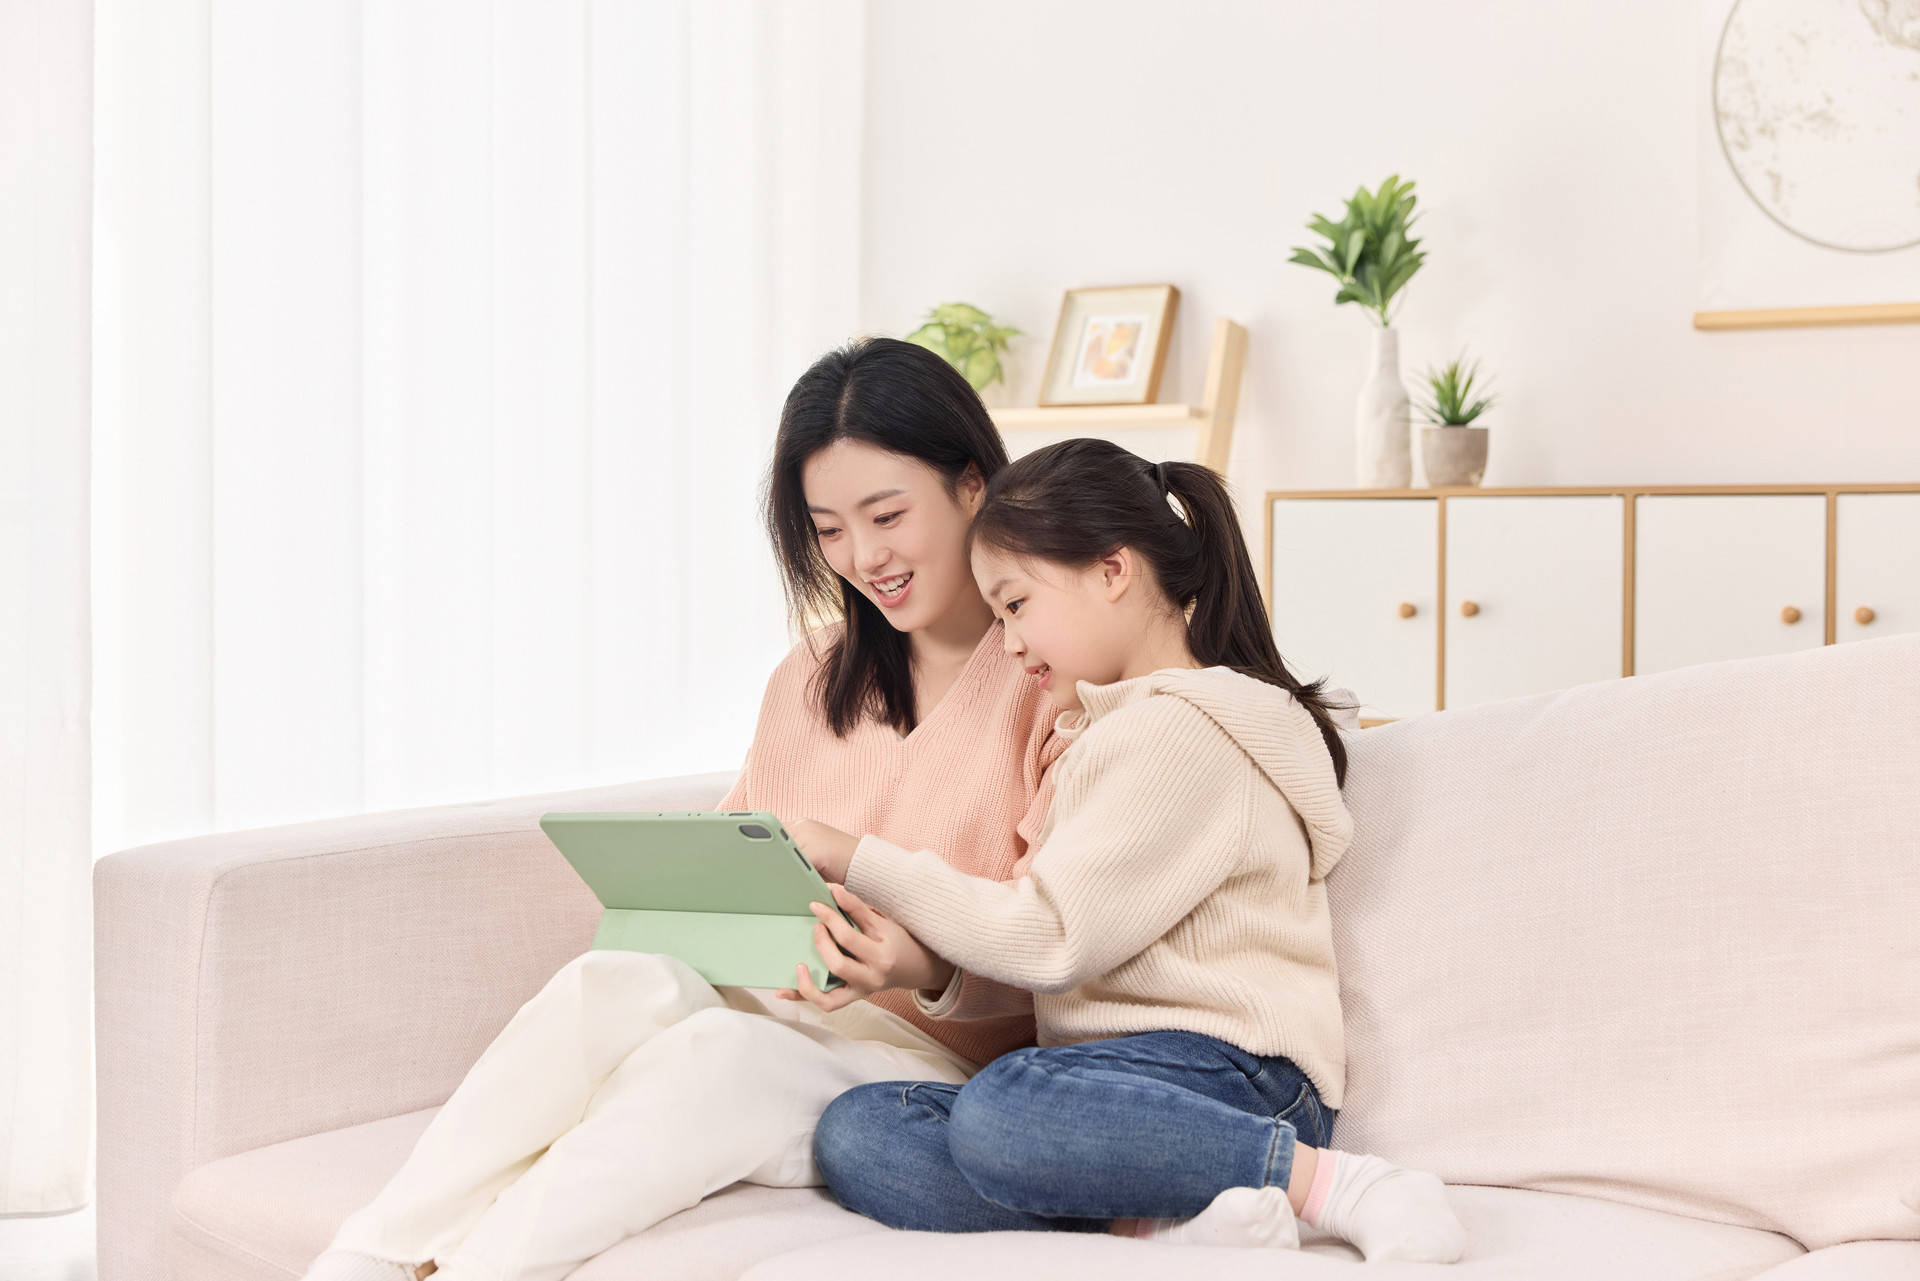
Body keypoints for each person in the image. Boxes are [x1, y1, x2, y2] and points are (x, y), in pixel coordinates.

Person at [301, 337, 1065, 1281]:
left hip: (930, 1070)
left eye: (887, 515)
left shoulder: (1052, 677)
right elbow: (735, 858)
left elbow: (1070, 942)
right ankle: (366, 1255)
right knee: (610, 980)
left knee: (713, 1056)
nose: (865, 557)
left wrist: (928, 964)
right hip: (776, 1006)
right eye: (828, 529)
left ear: (973, 485)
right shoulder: (813, 672)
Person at [796, 439, 1468, 1263]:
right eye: (999, 616)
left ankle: (1337, 1185)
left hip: (1235, 1080)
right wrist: (930, 972)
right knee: (862, 1128)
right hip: (1115, 1087)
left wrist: (857, 857)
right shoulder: (1107, 734)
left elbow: (1052, 936)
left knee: (1003, 1107)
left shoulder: (1184, 731)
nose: (1008, 642)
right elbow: (1080, 950)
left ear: (1113, 570)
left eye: (1016, 604)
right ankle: (1165, 1224)